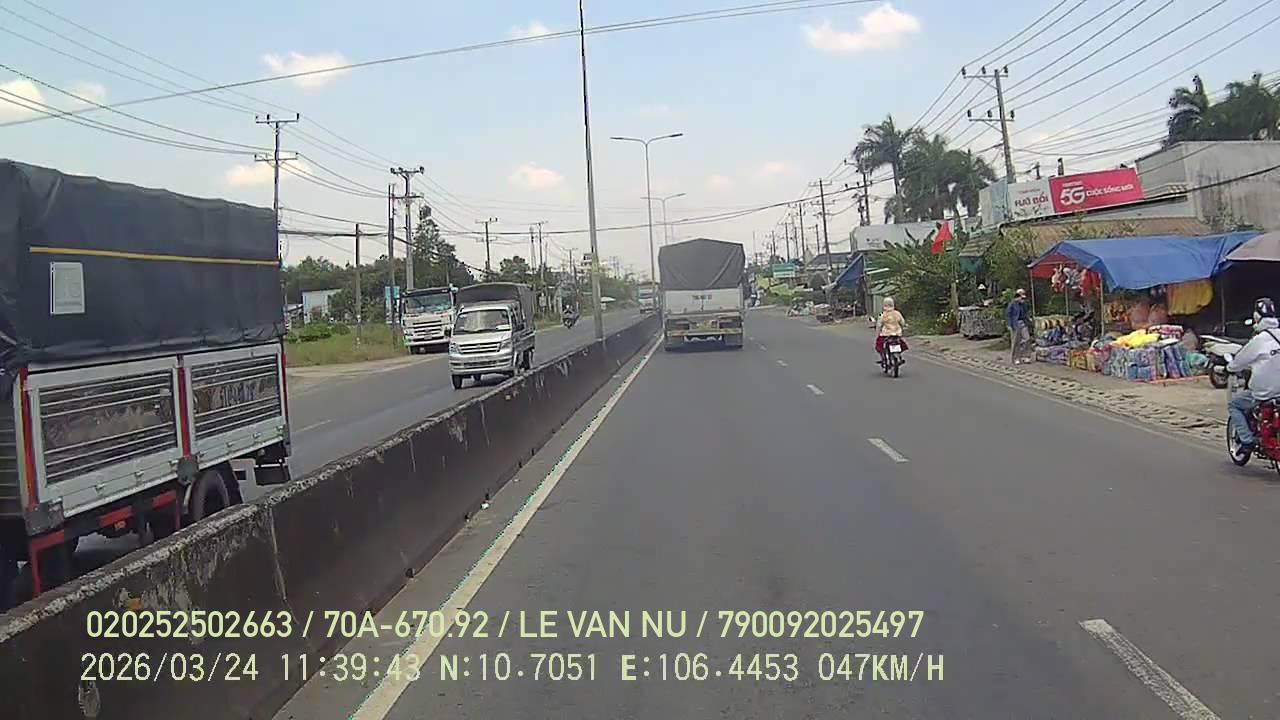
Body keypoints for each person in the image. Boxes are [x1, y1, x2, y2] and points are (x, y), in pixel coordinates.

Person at [1226, 298, 1280, 451]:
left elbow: (1238, 362)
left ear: (1256, 317)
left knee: (1234, 405)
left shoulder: (1258, 341)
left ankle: (1246, 440)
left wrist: (1229, 368)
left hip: (1265, 393)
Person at [875, 297, 907, 363]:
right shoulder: (897, 313)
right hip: (897, 333)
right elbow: (903, 323)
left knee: (879, 345)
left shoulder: (882, 314)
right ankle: (899, 356)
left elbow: (879, 325)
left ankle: (883, 358)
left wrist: (877, 334)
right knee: (901, 344)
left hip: (886, 334)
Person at [1006, 288, 1033, 364]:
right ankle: (1016, 358)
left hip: (1023, 323)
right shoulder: (1012, 304)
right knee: (1016, 341)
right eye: (1021, 297)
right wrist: (1009, 324)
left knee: (1027, 339)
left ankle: (1026, 356)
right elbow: (1008, 315)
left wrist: (1029, 320)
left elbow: (1025, 313)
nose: (1023, 299)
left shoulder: (1023, 304)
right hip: (1015, 324)